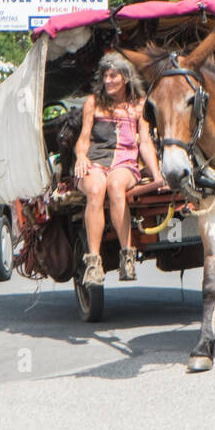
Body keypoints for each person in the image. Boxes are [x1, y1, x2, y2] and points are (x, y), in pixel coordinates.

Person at [74, 52, 162, 285]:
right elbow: (83, 137)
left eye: (114, 75)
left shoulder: (138, 105)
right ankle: (93, 263)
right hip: (95, 161)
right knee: (95, 189)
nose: (109, 80)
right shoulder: (93, 102)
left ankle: (127, 257)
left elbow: (145, 142)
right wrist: (81, 156)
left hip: (125, 163)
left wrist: (156, 175)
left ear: (125, 78)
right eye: (106, 75)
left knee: (115, 186)